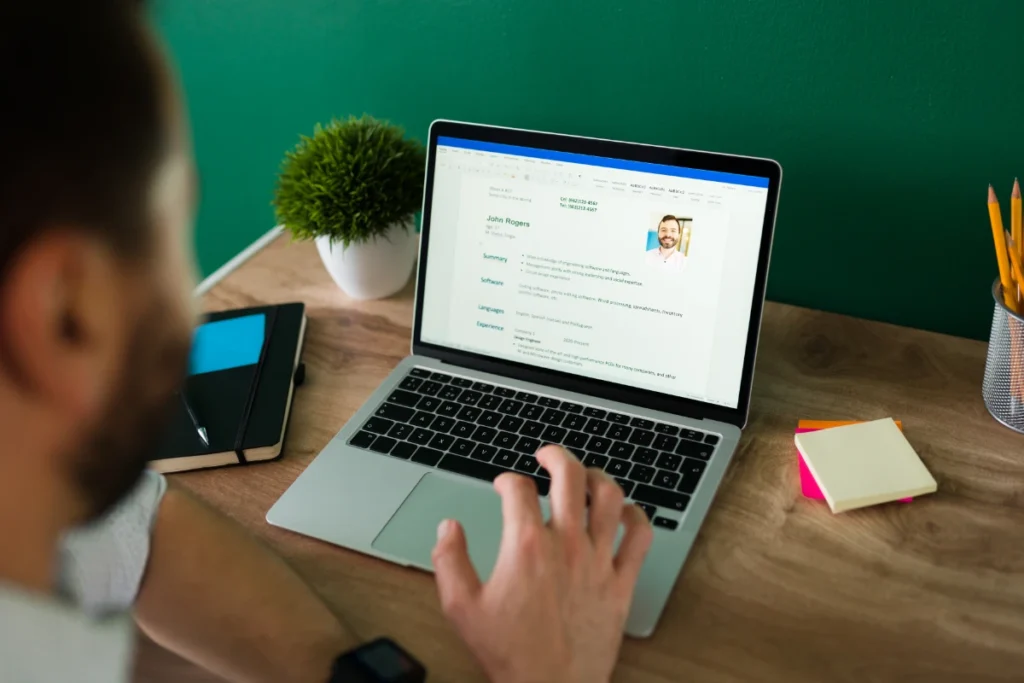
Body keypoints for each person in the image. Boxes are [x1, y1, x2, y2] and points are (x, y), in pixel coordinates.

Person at [0, 3, 654, 682]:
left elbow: (139, 532)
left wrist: (353, 673)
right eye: (177, 218)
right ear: (65, 316)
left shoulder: (43, 489)